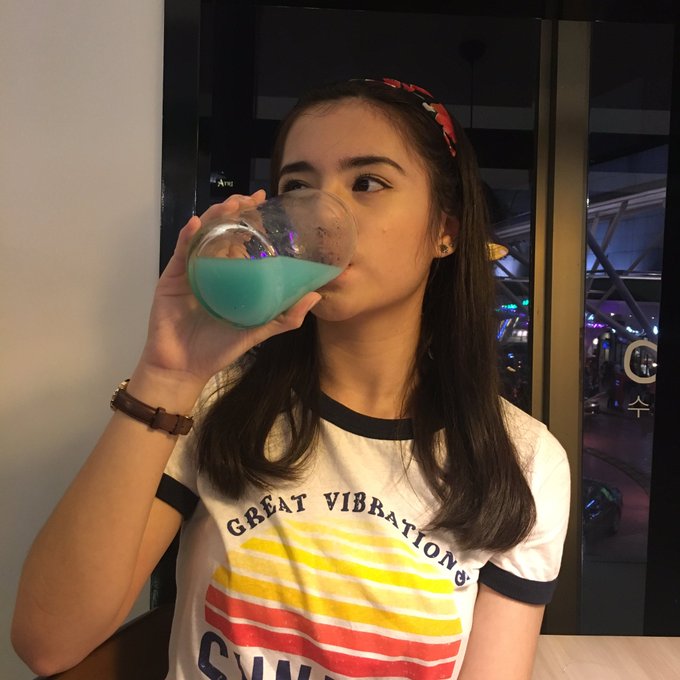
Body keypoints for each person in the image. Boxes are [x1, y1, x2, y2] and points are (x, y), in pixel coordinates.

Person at [12, 77, 570, 680]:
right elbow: (47, 642)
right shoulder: (216, 403)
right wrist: (166, 374)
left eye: (368, 182)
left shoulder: (523, 460)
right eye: (297, 188)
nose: (323, 217)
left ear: (446, 230)